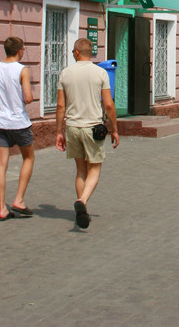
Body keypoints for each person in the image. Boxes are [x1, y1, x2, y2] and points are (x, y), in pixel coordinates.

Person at [56, 38, 119, 228]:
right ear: (90, 53)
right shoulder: (100, 73)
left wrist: (59, 132)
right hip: (93, 128)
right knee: (95, 168)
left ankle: (83, 211)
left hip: (73, 127)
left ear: (76, 52)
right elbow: (108, 104)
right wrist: (115, 129)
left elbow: (60, 106)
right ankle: (82, 201)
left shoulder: (65, 73)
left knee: (81, 170)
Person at [0, 36, 35, 221]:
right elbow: (28, 98)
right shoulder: (22, 70)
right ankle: (19, 200)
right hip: (19, 123)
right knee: (29, 157)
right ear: (20, 51)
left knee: (1, 164)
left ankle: (2, 208)